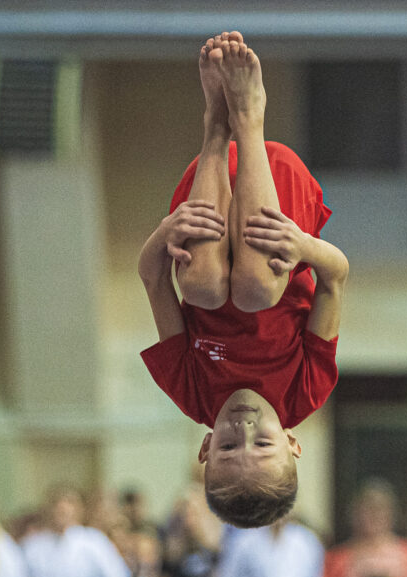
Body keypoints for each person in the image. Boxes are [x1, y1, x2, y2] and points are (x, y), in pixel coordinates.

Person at [138, 31, 348, 529]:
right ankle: (249, 119)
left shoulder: (192, 393)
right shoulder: (305, 392)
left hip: (208, 194)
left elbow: (152, 280)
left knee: (204, 290)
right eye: (264, 442)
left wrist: (167, 231)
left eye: (230, 445)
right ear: (293, 443)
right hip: (276, 201)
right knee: (255, 291)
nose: (245, 428)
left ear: (206, 448)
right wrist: (303, 247)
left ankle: (215, 124)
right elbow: (336, 277)